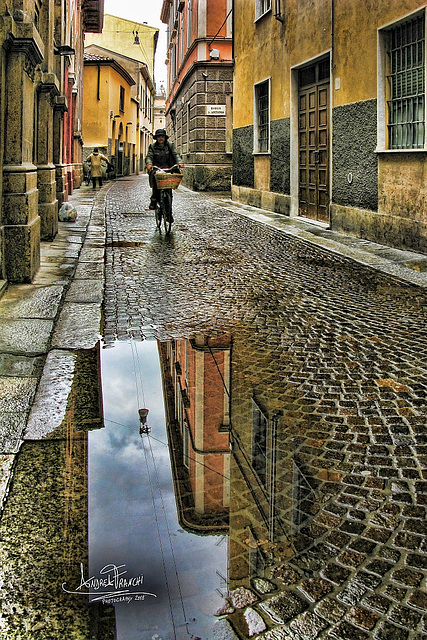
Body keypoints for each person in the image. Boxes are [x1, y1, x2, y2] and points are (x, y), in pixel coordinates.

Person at [145, 129, 184, 210]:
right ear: (156, 138)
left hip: (168, 168)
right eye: (159, 137)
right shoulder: (152, 146)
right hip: (157, 167)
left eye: (162, 136)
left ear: (165, 138)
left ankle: (169, 213)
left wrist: (180, 162)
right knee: (156, 182)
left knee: (169, 188)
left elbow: (175, 154)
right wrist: (149, 164)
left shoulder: (170, 145)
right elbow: (149, 156)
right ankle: (154, 200)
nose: (161, 138)